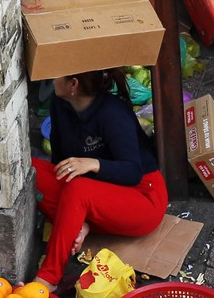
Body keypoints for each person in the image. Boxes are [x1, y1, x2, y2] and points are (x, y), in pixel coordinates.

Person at [30, 68, 168, 294]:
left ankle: (48, 278)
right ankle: (80, 222)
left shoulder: (114, 113)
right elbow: (61, 162)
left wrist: (94, 164)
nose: (52, 77)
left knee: (78, 189)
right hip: (92, 187)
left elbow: (133, 171)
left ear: (73, 84)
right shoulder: (59, 102)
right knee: (29, 169)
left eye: (58, 73)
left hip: (142, 196)